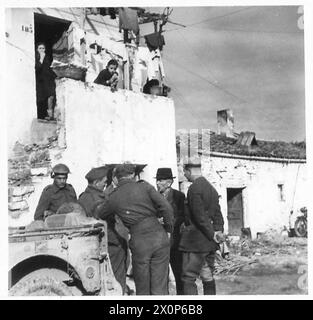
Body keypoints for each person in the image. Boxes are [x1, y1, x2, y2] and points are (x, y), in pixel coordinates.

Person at [98, 163, 174, 295]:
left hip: (139, 240)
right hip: (159, 236)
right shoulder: (145, 186)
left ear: (116, 177)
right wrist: (168, 230)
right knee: (160, 286)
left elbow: (100, 214)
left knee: (143, 286)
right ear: (132, 175)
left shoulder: (114, 197)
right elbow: (166, 208)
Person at [78, 166, 128, 294]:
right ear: (95, 183)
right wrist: (118, 240)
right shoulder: (97, 199)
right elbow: (106, 220)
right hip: (110, 241)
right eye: (104, 183)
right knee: (117, 277)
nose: (106, 185)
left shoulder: (83, 197)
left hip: (96, 243)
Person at [179, 164, 225, 295]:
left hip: (195, 242)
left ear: (189, 171)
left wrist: (212, 234)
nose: (184, 175)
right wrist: (218, 231)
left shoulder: (194, 189)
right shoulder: (211, 188)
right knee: (207, 275)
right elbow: (218, 214)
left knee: (188, 277)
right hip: (209, 244)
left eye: (185, 172)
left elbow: (199, 217)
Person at [155, 167, 185, 295]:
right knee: (161, 276)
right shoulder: (153, 197)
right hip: (158, 242)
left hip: (175, 241)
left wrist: (168, 222)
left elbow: (183, 216)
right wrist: (156, 221)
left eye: (160, 180)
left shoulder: (179, 196)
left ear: (169, 182)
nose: (157, 183)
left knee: (179, 274)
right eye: (157, 180)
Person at [35, 43, 56, 120]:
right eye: (40, 48)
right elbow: (38, 68)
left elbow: (50, 68)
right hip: (41, 81)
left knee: (51, 96)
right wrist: (41, 58)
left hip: (49, 80)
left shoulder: (47, 58)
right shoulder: (36, 57)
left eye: (43, 48)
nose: (41, 50)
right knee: (42, 98)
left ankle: (50, 115)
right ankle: (42, 115)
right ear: (37, 49)